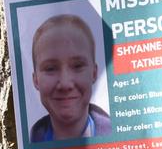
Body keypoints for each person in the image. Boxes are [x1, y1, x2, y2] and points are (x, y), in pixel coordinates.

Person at [29, 13, 112, 141]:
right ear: (36, 80)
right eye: (50, 68)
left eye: (78, 66)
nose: (65, 84)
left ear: (94, 73)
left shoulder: (121, 139)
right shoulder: (28, 142)